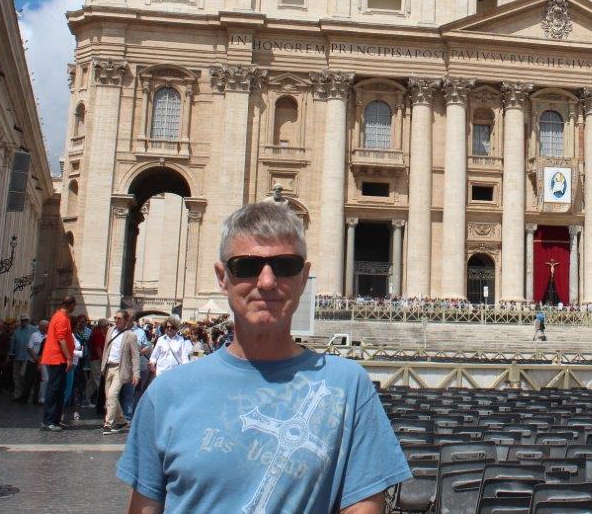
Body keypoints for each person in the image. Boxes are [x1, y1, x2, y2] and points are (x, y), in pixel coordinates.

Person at [117, 201, 410, 513]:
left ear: (304, 276)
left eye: (285, 265)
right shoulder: (165, 393)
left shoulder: (349, 386)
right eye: (246, 266)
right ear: (222, 276)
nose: (267, 281)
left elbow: (362, 506)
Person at [41, 296, 77, 431]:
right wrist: (68, 357)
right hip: (57, 358)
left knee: (60, 390)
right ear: (71, 304)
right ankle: (48, 421)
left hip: (59, 358)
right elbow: (61, 339)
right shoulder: (61, 318)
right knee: (54, 389)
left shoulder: (62, 316)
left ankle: (55, 420)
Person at [100, 311, 140, 435]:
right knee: (109, 397)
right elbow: (106, 349)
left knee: (112, 395)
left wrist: (136, 373)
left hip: (120, 369)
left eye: (119, 318)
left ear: (126, 320)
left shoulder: (130, 335)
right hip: (108, 367)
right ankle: (121, 420)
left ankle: (108, 424)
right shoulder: (110, 331)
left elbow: (135, 356)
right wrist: (103, 365)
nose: (116, 320)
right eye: (115, 318)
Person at [8, 316, 37, 402]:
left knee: (24, 376)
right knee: (16, 376)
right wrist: (10, 352)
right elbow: (13, 342)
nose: (23, 322)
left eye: (25, 320)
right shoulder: (17, 331)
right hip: (17, 356)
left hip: (28, 357)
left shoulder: (34, 330)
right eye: (22, 320)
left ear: (28, 320)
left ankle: (27, 394)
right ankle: (17, 394)